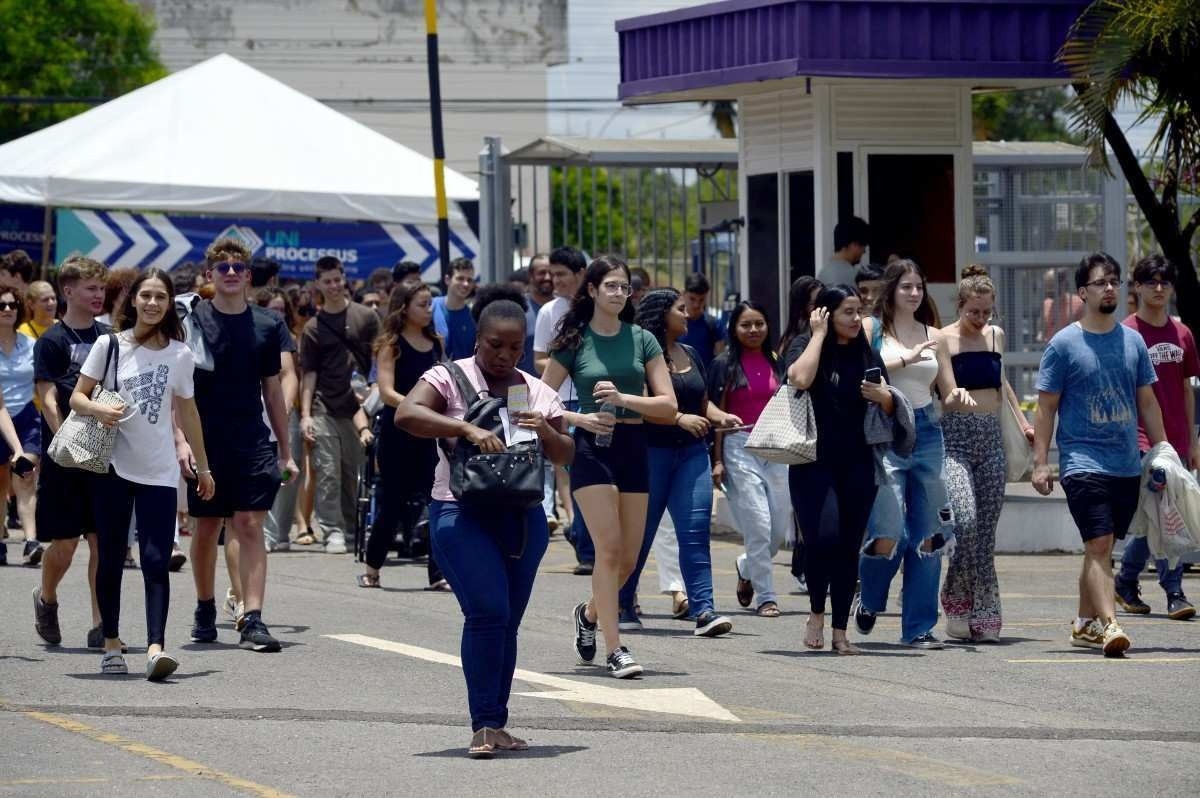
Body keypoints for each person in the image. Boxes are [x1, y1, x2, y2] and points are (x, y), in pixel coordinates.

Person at [396, 284, 574, 757]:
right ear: (478, 338)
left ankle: (497, 723)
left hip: (521, 518)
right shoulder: (450, 378)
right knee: (488, 611)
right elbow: (405, 414)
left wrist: (545, 430)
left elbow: (565, 453)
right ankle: (482, 725)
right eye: (496, 344)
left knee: (507, 622)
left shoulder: (528, 389)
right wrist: (464, 427)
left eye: (515, 346)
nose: (505, 354)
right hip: (460, 512)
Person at [71, 269, 213, 679]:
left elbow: (189, 412)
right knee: (111, 557)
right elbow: (77, 397)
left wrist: (202, 467)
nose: (152, 304)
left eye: (161, 298)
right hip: (112, 466)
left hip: (159, 470)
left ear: (170, 304)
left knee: (155, 559)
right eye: (146, 296)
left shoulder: (179, 355)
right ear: (133, 300)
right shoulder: (109, 344)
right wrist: (99, 408)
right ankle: (112, 642)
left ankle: (155, 648)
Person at [543, 255, 676, 678]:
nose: (620, 293)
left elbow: (669, 406)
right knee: (610, 549)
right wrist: (578, 417)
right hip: (589, 447)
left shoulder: (642, 339)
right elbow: (533, 400)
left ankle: (588, 613)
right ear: (593, 291)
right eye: (612, 286)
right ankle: (615, 649)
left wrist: (624, 399)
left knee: (630, 561)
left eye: (625, 287)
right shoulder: (574, 340)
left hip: (634, 444)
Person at [1033, 252, 1166, 657]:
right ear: (1082, 293)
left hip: (1126, 462)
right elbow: (1046, 407)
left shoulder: (1133, 341)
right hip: (1082, 461)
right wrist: (1041, 462)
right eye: (1100, 282)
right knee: (1099, 543)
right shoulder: (1064, 345)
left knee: (1102, 548)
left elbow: (1147, 402)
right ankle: (1109, 625)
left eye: (1114, 281)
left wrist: (1163, 453)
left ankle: (1084, 624)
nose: (1110, 288)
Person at [187, 239, 297, 652]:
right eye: (222, 268)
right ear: (210, 276)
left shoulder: (268, 324)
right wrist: (182, 441)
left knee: (249, 523)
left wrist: (285, 451)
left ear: (249, 276)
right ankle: (204, 605)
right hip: (205, 438)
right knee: (207, 527)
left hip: (252, 438)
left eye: (237, 267)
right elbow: (179, 389)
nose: (230, 273)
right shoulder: (192, 319)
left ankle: (252, 617)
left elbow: (273, 391)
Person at [853, 260, 969, 649]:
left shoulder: (935, 336)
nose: (915, 293)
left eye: (919, 286)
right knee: (889, 531)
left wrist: (959, 396)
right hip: (886, 430)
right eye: (906, 287)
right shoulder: (871, 329)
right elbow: (863, 372)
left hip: (928, 432)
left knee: (929, 536)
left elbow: (947, 389)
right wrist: (906, 357)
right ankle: (868, 597)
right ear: (891, 290)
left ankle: (918, 628)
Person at [619, 288, 738, 636]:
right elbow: (642, 405)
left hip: (691, 454)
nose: (687, 315)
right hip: (650, 453)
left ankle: (704, 610)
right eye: (680, 309)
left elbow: (701, 403)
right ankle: (623, 602)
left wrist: (722, 416)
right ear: (661, 316)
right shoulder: (639, 357)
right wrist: (678, 419)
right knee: (639, 535)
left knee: (695, 531)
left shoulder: (690, 353)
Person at [786, 285, 894, 654]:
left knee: (849, 548)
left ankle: (839, 631)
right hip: (811, 462)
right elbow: (798, 379)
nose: (856, 318)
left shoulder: (867, 353)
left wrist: (887, 398)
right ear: (827, 314)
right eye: (848, 311)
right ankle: (816, 612)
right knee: (823, 539)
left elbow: (891, 407)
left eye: (858, 311)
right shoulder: (806, 344)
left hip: (858, 463)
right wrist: (817, 335)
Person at [939, 265, 1034, 642]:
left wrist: (1023, 422)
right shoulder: (942, 340)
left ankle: (985, 610)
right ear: (959, 306)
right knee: (965, 523)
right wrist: (953, 395)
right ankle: (955, 600)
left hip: (991, 438)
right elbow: (944, 386)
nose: (980, 320)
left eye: (986, 312)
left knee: (986, 534)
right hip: (956, 439)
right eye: (972, 312)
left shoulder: (995, 335)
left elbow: (1002, 381)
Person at [1114, 255, 1197, 620]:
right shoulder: (1126, 333)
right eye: (1151, 282)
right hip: (1141, 438)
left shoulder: (1183, 333)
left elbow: (1187, 388)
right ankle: (1174, 590)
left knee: (1155, 515)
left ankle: (1126, 579)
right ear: (1137, 287)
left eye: (1164, 282)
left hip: (1176, 439)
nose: (1158, 288)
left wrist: (1192, 440)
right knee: (1165, 508)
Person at [32, 256, 109, 648]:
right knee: (65, 543)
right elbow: (47, 397)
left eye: (101, 288)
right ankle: (46, 598)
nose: (99, 295)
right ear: (68, 291)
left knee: (100, 539)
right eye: (91, 288)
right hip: (65, 453)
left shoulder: (109, 337)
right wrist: (66, 440)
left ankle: (100, 624)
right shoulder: (52, 340)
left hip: (103, 453)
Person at [358, 281, 446, 589]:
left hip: (429, 433)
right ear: (404, 307)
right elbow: (385, 391)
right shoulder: (391, 344)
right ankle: (371, 568)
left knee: (437, 501)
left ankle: (438, 573)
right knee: (392, 504)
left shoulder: (435, 342)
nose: (429, 309)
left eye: (430, 304)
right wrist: (416, 406)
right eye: (422, 304)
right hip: (397, 434)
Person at [708, 301, 791, 617]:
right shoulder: (724, 364)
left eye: (759, 323)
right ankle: (766, 596)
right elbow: (716, 414)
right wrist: (717, 460)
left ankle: (747, 566)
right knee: (758, 522)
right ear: (734, 329)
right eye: (746, 325)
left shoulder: (776, 361)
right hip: (739, 445)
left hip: (776, 446)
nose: (753, 330)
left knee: (779, 530)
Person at [300, 256, 378, 555]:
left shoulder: (366, 317)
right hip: (324, 406)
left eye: (337, 280)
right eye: (327, 281)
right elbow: (309, 374)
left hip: (360, 407)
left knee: (354, 472)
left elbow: (379, 357)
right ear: (318, 284)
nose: (333, 286)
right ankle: (332, 529)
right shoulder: (312, 328)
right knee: (328, 470)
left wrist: (373, 391)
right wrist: (306, 415)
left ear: (344, 279)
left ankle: (351, 526)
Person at [533, 247, 593, 572]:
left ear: (581, 274)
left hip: (596, 401)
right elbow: (540, 358)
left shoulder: (597, 309)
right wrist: (568, 366)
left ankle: (581, 532)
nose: (554, 281)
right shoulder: (549, 312)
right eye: (551, 274)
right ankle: (581, 537)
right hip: (564, 402)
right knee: (569, 470)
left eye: (561, 275)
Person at [778, 275, 824, 595]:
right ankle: (805, 565)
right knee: (811, 510)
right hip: (806, 435)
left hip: (830, 437)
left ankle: (808, 564)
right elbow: (798, 382)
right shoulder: (799, 341)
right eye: (816, 302)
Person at [0, 288, 43, 565]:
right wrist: (14, 448)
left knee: (25, 475)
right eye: (1, 305)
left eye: (12, 304)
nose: (7, 309)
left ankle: (30, 541)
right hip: (0, 415)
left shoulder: (30, 344)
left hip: (27, 416)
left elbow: (43, 384)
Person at [432, 258, 477, 360]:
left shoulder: (473, 317)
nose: (466, 284)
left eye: (469, 280)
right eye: (460, 278)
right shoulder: (431, 307)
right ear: (447, 280)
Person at [678, 272, 726, 368]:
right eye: (692, 299)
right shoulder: (675, 322)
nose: (696, 305)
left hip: (707, 381)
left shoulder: (713, 324)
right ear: (683, 294)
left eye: (701, 300)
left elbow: (721, 360)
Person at [519, 254, 555, 373]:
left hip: (558, 389)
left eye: (552, 273)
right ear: (530, 275)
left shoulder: (565, 309)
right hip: (523, 388)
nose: (547, 277)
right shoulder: (519, 309)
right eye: (542, 272)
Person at [816, 217, 870, 288]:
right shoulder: (854, 277)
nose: (864, 251)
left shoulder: (822, 275)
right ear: (854, 244)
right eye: (863, 246)